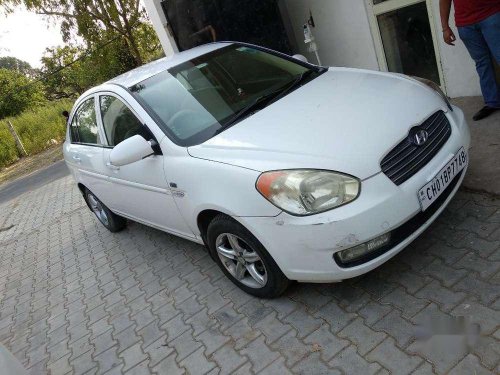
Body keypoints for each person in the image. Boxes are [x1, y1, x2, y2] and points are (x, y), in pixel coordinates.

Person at [440, 0, 500, 121]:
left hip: (491, 14)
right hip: (465, 24)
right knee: (482, 63)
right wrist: (445, 28)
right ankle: (492, 102)